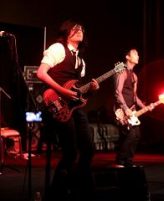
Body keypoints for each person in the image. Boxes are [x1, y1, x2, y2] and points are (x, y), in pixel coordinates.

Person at [37, 19, 99, 201]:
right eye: (75, 28)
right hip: (55, 102)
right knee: (70, 151)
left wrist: (92, 90)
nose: (80, 30)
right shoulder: (58, 48)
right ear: (66, 32)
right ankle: (57, 193)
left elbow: (77, 92)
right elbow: (41, 73)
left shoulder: (81, 61)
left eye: (82, 28)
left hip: (73, 106)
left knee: (88, 148)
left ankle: (77, 187)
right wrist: (63, 91)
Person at [113, 48, 153, 168]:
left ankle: (128, 161)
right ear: (127, 57)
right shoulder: (121, 71)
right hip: (121, 109)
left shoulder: (134, 76)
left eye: (138, 54)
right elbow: (117, 92)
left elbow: (135, 97)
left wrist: (145, 107)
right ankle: (120, 160)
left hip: (131, 109)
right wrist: (125, 109)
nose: (138, 56)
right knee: (130, 135)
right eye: (135, 54)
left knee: (136, 135)